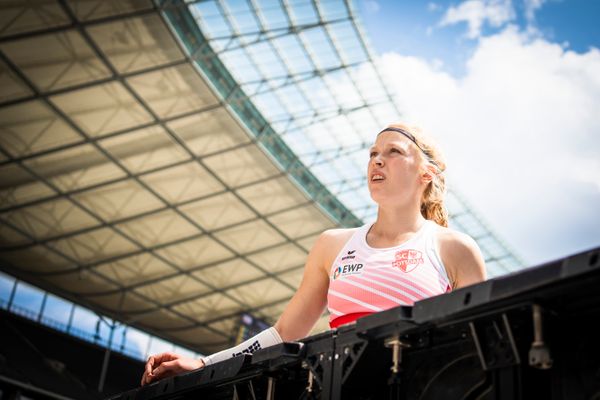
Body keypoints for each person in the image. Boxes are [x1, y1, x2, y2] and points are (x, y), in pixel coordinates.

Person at [140, 123, 486, 386]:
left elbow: (477, 351)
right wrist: (204, 366)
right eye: (372, 153)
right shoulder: (333, 245)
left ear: (426, 174)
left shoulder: (454, 248)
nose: (377, 160)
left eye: (393, 152)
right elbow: (283, 334)